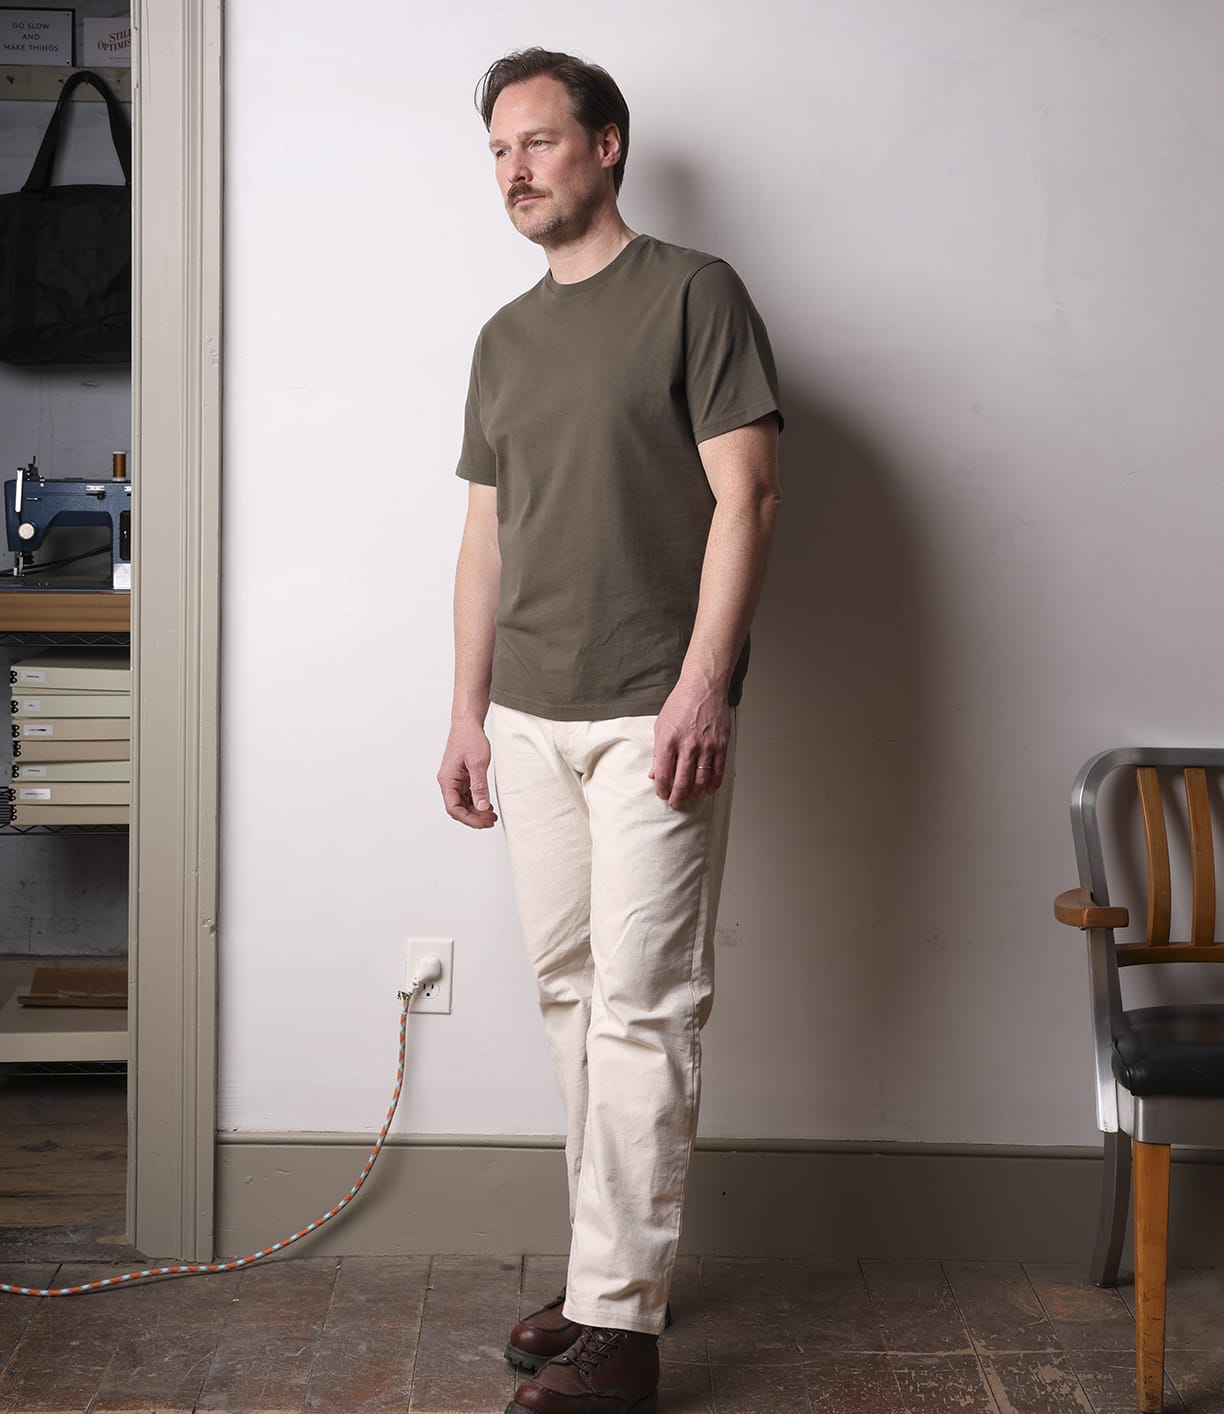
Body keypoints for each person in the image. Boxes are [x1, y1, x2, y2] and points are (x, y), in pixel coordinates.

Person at [437, 47, 782, 1414]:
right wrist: (465, 713)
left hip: (652, 710)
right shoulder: (502, 340)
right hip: (528, 715)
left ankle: (621, 1334)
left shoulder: (695, 294)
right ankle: (607, 1285)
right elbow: (484, 539)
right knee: (574, 1001)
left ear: (606, 145)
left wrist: (704, 684)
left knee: (646, 1008)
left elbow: (749, 496)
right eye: (497, 151)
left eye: (537, 141)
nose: (513, 170)